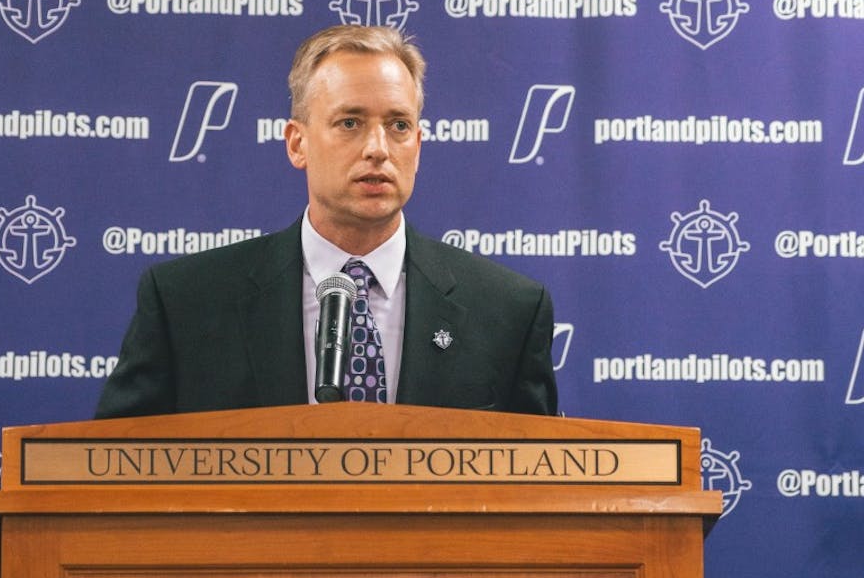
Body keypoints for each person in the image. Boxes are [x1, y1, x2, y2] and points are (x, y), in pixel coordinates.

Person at [95, 24, 558, 418]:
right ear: (297, 143)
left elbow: (544, 492)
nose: (378, 148)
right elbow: (113, 471)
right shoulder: (186, 303)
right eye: (350, 123)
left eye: (398, 125)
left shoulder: (507, 311)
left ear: (418, 144)